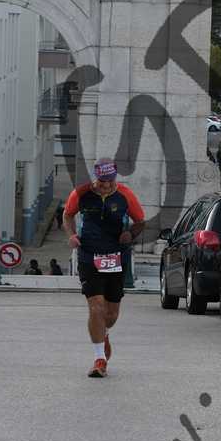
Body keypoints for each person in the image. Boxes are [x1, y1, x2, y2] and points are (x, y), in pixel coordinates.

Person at [63, 159, 145, 378]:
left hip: (116, 256)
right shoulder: (81, 193)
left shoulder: (125, 195)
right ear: (95, 177)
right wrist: (71, 235)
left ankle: (104, 332)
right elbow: (67, 215)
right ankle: (99, 359)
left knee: (111, 314)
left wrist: (130, 234)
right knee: (96, 307)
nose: (106, 185)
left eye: (110, 181)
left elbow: (140, 221)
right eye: (102, 181)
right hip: (89, 255)